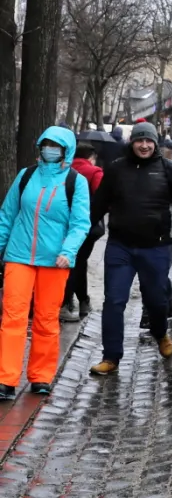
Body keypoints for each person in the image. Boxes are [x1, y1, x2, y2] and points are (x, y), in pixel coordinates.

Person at [89, 121, 172, 376]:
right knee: (114, 301)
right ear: (132, 143)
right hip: (120, 246)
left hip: (156, 247)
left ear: (155, 143)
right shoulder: (116, 169)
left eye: (148, 141)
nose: (144, 145)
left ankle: (160, 332)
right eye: (139, 141)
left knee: (156, 301)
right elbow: (98, 205)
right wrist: (84, 234)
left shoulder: (169, 169)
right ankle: (111, 356)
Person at [0, 128, 92, 398]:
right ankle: (6, 379)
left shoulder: (76, 181)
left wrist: (69, 250)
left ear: (67, 150)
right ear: (40, 146)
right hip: (19, 256)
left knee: (46, 318)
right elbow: (7, 214)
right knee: (13, 317)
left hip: (55, 261)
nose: (50, 149)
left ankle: (41, 376)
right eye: (47, 144)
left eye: (57, 145)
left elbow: (80, 223)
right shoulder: (26, 175)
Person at [60, 142, 105, 322]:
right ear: (90, 157)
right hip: (88, 226)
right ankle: (68, 302)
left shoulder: (63, 170)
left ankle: (80, 300)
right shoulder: (94, 172)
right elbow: (102, 198)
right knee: (77, 264)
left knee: (76, 263)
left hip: (63, 224)